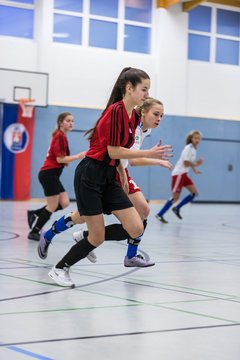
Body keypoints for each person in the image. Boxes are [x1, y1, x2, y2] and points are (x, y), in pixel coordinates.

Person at [43, 67, 171, 287]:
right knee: (97, 235)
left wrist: (121, 172)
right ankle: (60, 268)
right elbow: (113, 151)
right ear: (129, 88)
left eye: (148, 90)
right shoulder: (116, 111)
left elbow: (120, 151)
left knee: (136, 226)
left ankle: (84, 238)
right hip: (91, 174)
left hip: (110, 175)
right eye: (144, 89)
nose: (147, 94)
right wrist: (149, 154)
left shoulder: (132, 116)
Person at [27, 112, 85, 241]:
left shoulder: (62, 136)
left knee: (64, 203)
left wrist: (66, 160)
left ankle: (35, 213)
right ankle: (34, 231)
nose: (71, 123)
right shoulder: (59, 136)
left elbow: (61, 159)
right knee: (52, 205)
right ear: (60, 122)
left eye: (72, 121)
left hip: (52, 174)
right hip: (49, 174)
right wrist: (78, 156)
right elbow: (59, 159)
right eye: (68, 120)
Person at [155, 130, 204, 223]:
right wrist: (197, 164)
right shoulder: (188, 148)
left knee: (194, 193)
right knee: (175, 197)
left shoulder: (194, 149)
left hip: (184, 174)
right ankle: (160, 214)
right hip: (179, 174)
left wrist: (195, 170)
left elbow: (189, 162)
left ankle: (177, 208)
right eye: (195, 138)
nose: (197, 140)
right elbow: (186, 162)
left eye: (199, 138)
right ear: (191, 138)